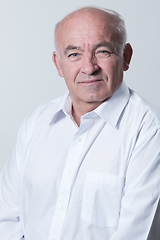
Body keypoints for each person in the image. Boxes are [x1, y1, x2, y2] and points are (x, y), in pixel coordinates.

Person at [0, 6, 160, 240]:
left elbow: (135, 234)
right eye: (74, 54)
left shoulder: (148, 129)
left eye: (103, 51)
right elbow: (7, 220)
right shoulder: (35, 123)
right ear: (58, 64)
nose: (89, 67)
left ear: (125, 57)